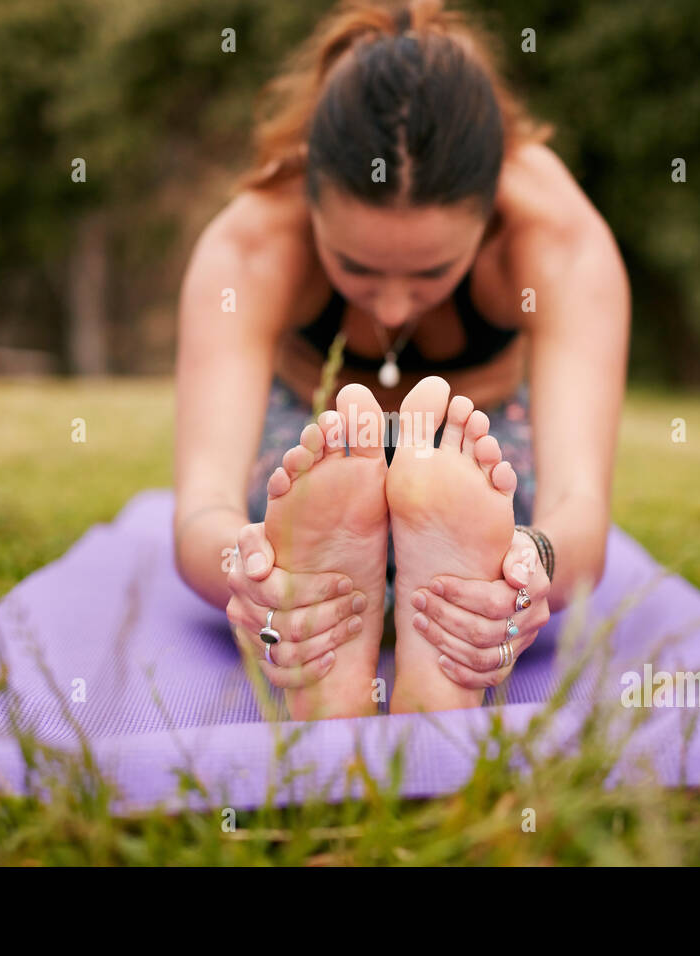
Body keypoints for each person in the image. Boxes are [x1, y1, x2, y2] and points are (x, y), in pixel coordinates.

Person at [172, 0, 629, 720]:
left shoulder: (559, 240)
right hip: (313, 439)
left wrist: (531, 566)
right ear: (310, 201)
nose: (390, 308)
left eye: (429, 273)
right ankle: (344, 595)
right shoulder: (251, 245)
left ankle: (439, 609)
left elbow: (581, 507)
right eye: (355, 268)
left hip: (482, 445)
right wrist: (248, 568)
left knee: (502, 501)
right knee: (290, 494)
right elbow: (202, 504)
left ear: (489, 215)